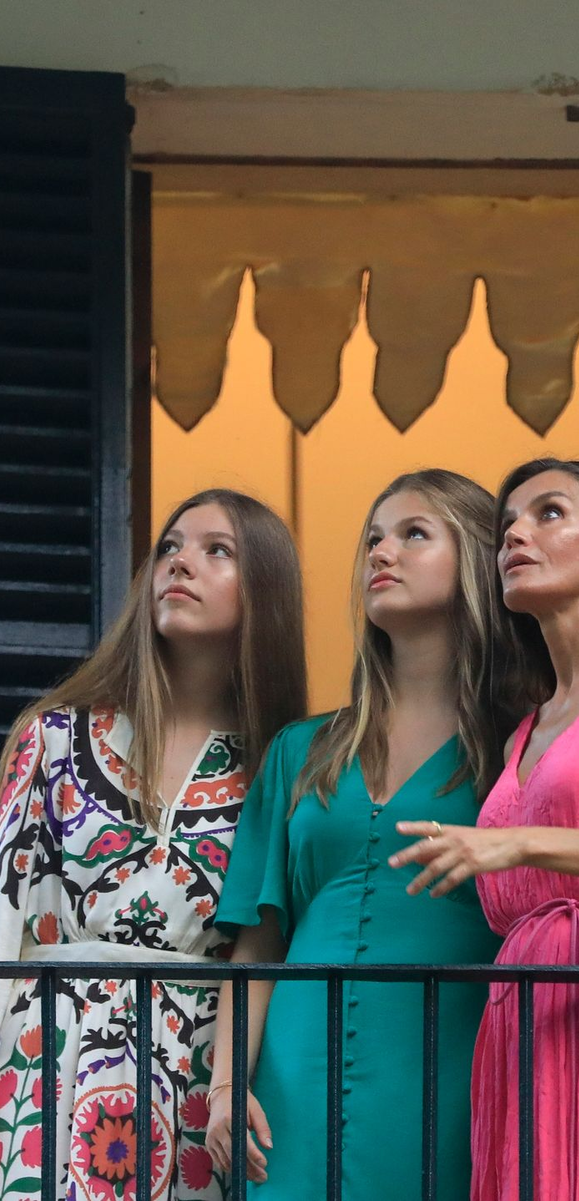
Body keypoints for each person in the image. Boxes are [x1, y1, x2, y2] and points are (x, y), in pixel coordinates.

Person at [0, 490, 307, 1201]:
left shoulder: (280, 772)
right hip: (41, 1086)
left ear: (266, 592)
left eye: (216, 550)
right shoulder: (56, 738)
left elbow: (268, 957)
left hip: (193, 1107)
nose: (179, 562)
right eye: (170, 546)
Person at [209, 469, 520, 1199]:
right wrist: (226, 1082)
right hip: (290, 1079)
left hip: (452, 1065)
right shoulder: (300, 749)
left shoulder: (520, 745)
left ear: (476, 558)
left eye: (415, 533)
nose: (382, 551)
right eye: (375, 537)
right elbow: (256, 943)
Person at [391, 457, 579, 1201]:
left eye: (550, 513)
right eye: (506, 526)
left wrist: (516, 843)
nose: (516, 535)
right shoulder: (520, 732)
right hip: (522, 1012)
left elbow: (518, 846)